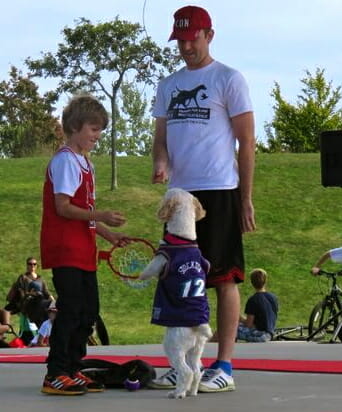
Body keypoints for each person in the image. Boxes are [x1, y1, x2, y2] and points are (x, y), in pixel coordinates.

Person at [151, 5, 256, 392]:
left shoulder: (228, 78)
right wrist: (161, 163)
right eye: (180, 40)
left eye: (192, 38)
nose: (186, 47)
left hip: (220, 190)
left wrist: (246, 198)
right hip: (180, 196)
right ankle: (182, 364)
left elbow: (247, 143)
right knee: (179, 278)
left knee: (223, 276)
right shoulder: (168, 85)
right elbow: (160, 139)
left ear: (209, 35)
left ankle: (224, 365)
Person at [40, 94, 131, 396]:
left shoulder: (85, 164)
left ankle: (73, 368)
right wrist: (101, 213)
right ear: (76, 127)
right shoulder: (66, 160)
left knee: (89, 310)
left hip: (83, 250)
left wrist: (107, 233)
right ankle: (56, 372)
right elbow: (63, 207)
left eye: (100, 130)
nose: (97, 136)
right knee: (71, 310)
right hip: (66, 249)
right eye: (93, 129)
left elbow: (83, 215)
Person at [236, 268, 278, 342]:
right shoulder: (274, 298)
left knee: (230, 328)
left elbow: (248, 324)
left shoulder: (253, 300)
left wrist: (239, 317)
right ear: (265, 281)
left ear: (252, 283)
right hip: (270, 333)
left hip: (260, 335)